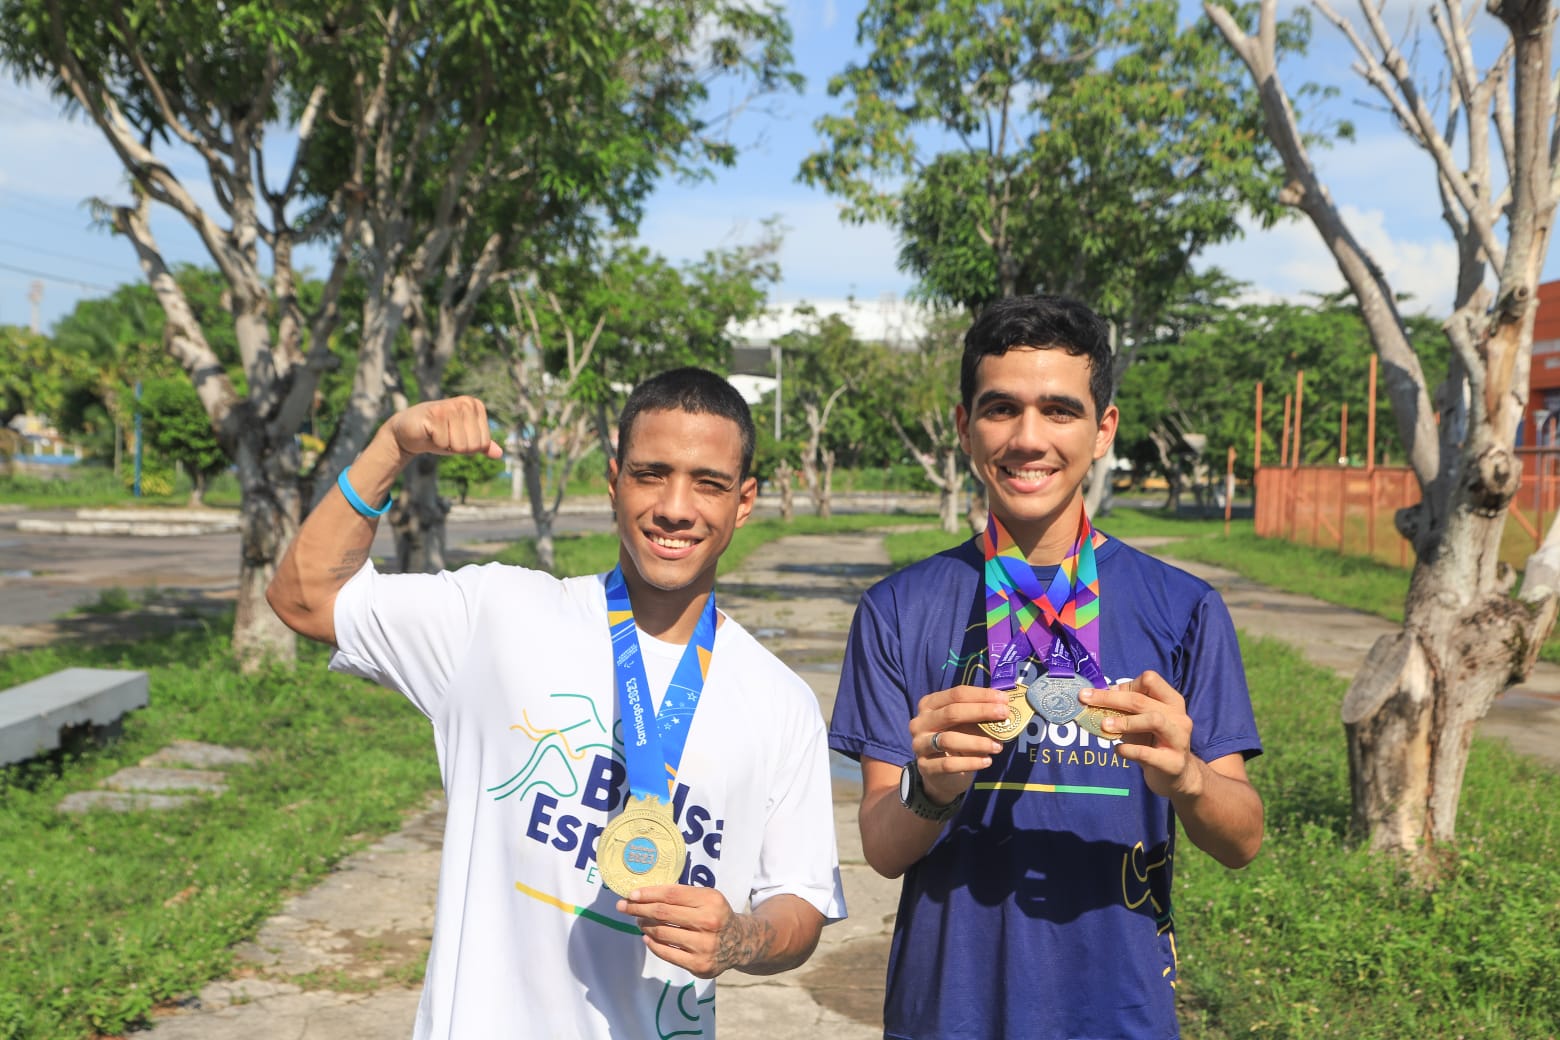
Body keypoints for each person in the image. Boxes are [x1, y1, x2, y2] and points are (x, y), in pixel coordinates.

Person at [268, 367, 845, 1039]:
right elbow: (304, 597)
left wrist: (741, 939)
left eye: (708, 483)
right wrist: (391, 446)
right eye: (651, 474)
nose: (676, 507)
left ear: (744, 502)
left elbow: (801, 901)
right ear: (613, 482)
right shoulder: (501, 616)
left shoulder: (781, 702)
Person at [829, 295, 1264, 1040]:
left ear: (1103, 431)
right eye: (1001, 409)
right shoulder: (897, 609)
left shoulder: (1185, 608)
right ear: (966, 428)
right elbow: (881, 845)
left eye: (1059, 411)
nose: (1028, 439)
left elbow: (1241, 839)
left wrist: (1186, 776)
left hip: (1119, 1012)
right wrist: (931, 789)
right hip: (949, 1014)